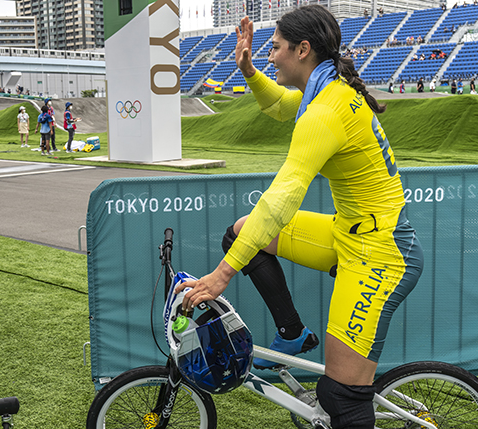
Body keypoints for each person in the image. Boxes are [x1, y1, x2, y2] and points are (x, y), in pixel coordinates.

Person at [177, 7, 423, 429]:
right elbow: (278, 104)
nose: (271, 56)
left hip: (380, 255)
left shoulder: (325, 111)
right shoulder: (326, 90)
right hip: (351, 234)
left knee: (341, 397)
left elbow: (280, 200)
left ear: (303, 49)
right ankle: (293, 332)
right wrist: (250, 70)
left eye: (274, 48)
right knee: (239, 233)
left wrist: (221, 275)